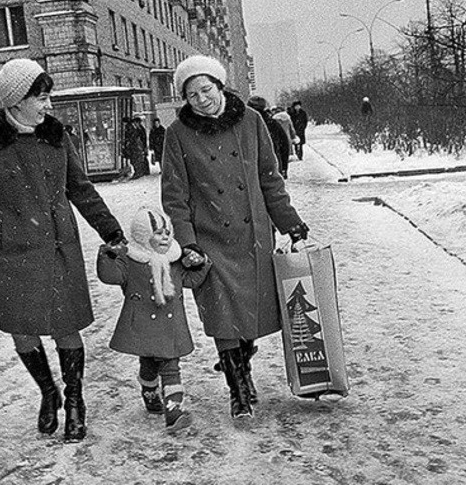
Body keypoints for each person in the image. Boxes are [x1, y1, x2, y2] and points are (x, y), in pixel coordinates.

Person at [0, 58, 126, 443]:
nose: (48, 105)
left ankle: (75, 401)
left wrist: (110, 229)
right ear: (17, 100)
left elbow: (80, 188)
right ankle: (48, 391)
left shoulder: (55, 136)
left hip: (57, 247)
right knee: (23, 332)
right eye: (41, 98)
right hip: (11, 252)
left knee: (66, 327)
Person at [161, 55, 310, 420]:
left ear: (220, 85)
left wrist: (291, 224)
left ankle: (243, 365)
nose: (201, 100)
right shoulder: (177, 134)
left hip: (252, 235)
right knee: (223, 315)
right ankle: (238, 391)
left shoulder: (251, 121)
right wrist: (187, 242)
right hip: (209, 239)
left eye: (206, 90)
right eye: (192, 95)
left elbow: (270, 180)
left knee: (249, 313)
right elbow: (175, 196)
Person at [96, 206, 211, 434]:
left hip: (170, 325)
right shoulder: (131, 260)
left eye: (167, 232)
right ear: (143, 235)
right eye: (158, 233)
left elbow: (190, 280)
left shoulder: (175, 259)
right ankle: (149, 392)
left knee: (171, 366)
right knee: (148, 365)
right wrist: (108, 256)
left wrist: (201, 263)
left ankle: (174, 412)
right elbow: (111, 276)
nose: (165, 237)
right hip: (144, 323)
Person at [247, 96, 291, 179]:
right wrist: (284, 167)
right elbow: (284, 146)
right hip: (272, 165)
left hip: (250, 169)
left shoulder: (242, 125)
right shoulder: (273, 123)